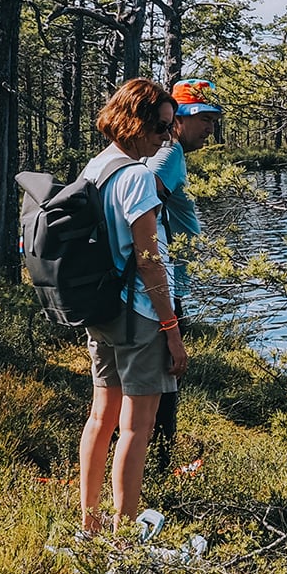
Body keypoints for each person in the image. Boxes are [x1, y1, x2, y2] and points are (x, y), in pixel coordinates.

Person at [76, 78, 187, 533]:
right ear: (136, 122)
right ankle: (123, 540)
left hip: (100, 311)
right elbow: (148, 260)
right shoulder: (137, 176)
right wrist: (172, 330)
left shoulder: (97, 167)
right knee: (137, 427)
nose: (165, 138)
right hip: (140, 315)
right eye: (161, 128)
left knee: (101, 417)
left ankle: (90, 523)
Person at [146, 77, 223, 473]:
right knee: (167, 376)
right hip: (161, 284)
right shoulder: (169, 154)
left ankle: (150, 464)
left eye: (214, 118)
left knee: (158, 377)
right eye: (203, 118)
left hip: (159, 282)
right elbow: (142, 203)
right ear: (177, 117)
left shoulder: (165, 151)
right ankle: (160, 470)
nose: (210, 127)